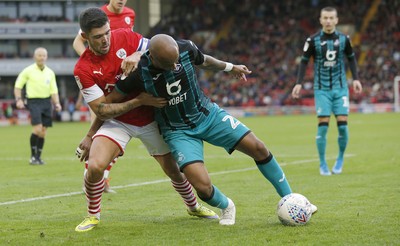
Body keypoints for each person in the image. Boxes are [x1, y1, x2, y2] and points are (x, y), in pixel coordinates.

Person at [107, 34, 317, 226]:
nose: (175, 66)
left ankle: (292, 200)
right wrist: (137, 102)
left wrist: (229, 66)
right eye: (168, 64)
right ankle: (227, 206)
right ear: (152, 57)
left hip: (207, 114)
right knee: (203, 187)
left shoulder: (186, 48)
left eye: (176, 61)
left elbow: (205, 60)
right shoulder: (137, 74)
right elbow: (108, 104)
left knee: (258, 147)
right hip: (177, 131)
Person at [73, 8, 217, 232]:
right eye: (98, 37)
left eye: (106, 33)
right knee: (95, 166)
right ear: (85, 37)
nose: (105, 40)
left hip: (152, 117)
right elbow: (101, 110)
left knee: (174, 170)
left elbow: (160, 47)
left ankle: (193, 206)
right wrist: (138, 101)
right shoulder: (83, 69)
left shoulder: (125, 36)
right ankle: (93, 215)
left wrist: (138, 54)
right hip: (118, 121)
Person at [291, 6, 363, 176]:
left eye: (332, 18)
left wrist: (356, 79)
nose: (329, 21)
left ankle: (340, 159)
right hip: (321, 89)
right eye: (326, 18)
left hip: (341, 88)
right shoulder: (312, 40)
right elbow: (303, 61)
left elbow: (352, 59)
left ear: (337, 20)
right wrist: (299, 83)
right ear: (321, 20)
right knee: (323, 126)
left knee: (343, 126)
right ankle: (323, 163)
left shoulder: (344, 39)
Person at [73, 0, 136, 193]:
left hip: (122, 82)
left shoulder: (130, 15)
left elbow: (131, 42)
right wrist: (96, 64)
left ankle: (103, 178)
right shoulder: (97, 15)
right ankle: (90, 179)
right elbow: (77, 42)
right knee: (101, 131)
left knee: (116, 138)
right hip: (102, 85)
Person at [14, 47, 62, 165]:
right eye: (39, 55)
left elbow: (54, 91)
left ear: (46, 57)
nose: (41, 57)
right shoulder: (28, 70)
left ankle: (38, 157)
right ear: (34, 57)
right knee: (37, 128)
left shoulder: (50, 72)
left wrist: (57, 103)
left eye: (43, 55)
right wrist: (19, 100)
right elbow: (18, 86)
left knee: (43, 131)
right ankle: (32, 157)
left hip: (46, 102)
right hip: (33, 101)